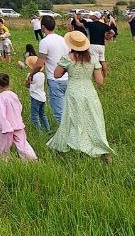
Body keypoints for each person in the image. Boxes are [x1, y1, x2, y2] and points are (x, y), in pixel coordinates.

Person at [47, 32, 113, 161]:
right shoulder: (93, 58)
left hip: (73, 92)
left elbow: (56, 75)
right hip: (89, 93)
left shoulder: (67, 57)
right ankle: (103, 150)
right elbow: (100, 82)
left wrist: (66, 68)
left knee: (70, 120)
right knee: (94, 120)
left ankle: (62, 149)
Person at [0, 73, 38, 161]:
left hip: (6, 126)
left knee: (4, 145)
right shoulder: (13, 95)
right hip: (17, 123)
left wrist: (4, 126)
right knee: (23, 143)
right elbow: (19, 107)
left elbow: (1, 113)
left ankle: (2, 160)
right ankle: (31, 159)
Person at [35, 16, 68, 127]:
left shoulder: (44, 42)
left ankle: (66, 138)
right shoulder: (63, 39)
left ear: (43, 27)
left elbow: (39, 64)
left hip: (55, 80)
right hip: (67, 78)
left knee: (59, 112)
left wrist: (31, 74)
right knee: (67, 109)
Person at [25, 55, 50, 133]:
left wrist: (27, 81)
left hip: (35, 97)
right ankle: (47, 129)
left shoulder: (31, 75)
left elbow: (26, 85)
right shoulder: (42, 75)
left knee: (34, 116)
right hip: (42, 97)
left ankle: (40, 132)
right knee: (42, 114)